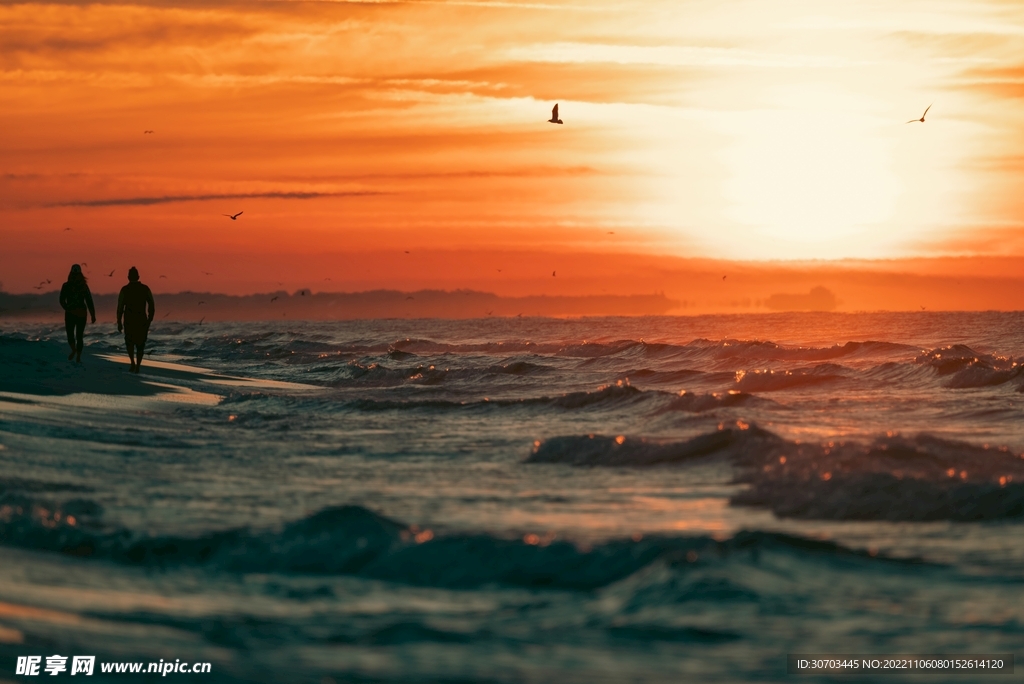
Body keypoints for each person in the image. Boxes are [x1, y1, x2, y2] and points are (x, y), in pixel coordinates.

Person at [116, 266, 155, 373]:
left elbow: (120, 307)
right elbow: (151, 304)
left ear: (128, 277)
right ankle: (137, 365)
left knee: (130, 342)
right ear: (138, 277)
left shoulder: (124, 290)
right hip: (142, 320)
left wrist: (119, 322)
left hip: (129, 320)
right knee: (140, 344)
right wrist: (150, 318)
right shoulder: (145, 288)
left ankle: (132, 363)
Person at [59, 264, 96, 363]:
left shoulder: (67, 286)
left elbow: (61, 300)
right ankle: (77, 354)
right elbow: (89, 301)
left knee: (72, 335)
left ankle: (75, 351)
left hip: (72, 313)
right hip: (80, 314)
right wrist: (93, 315)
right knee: (78, 336)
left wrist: (67, 308)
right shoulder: (82, 286)